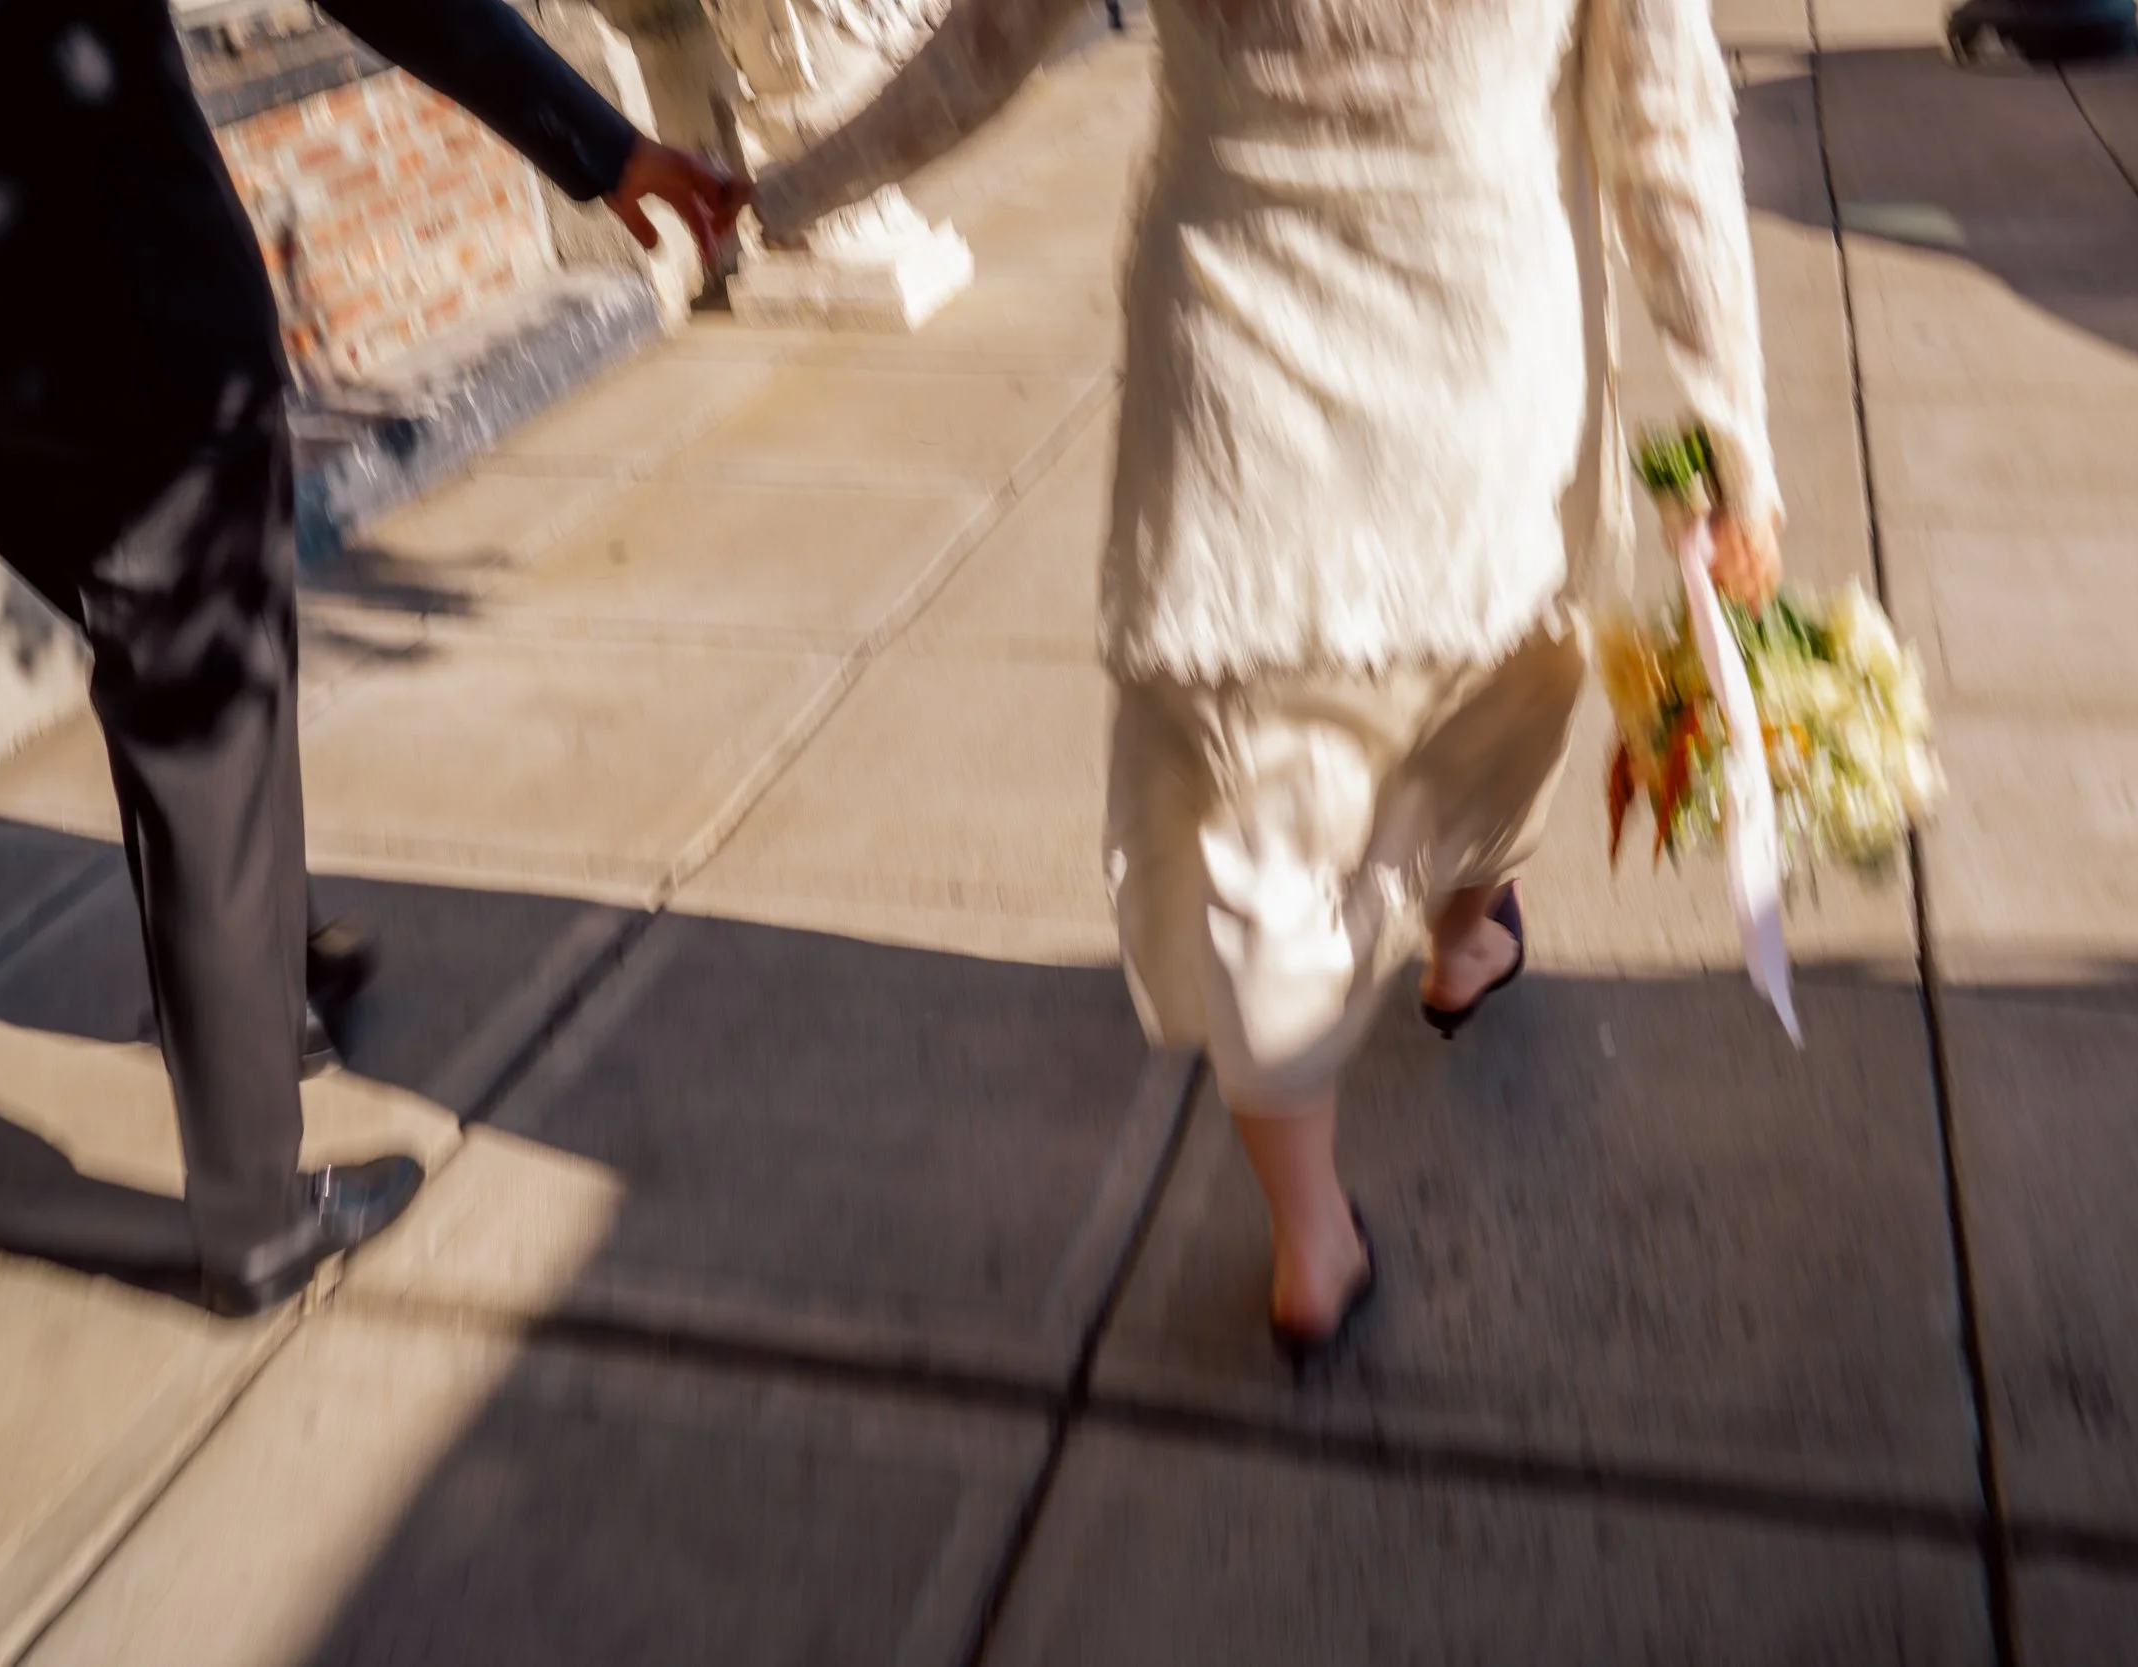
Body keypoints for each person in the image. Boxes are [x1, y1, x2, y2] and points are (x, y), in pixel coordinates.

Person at [750, 0, 1783, 1363]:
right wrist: (1736, 441)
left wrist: (780, 194)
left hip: (1237, 389)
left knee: (1261, 822)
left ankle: (1310, 1241)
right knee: (1488, 697)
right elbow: (1667, 140)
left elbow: (978, 55)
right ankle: (1465, 937)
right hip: (1487, 382)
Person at [0, 1, 742, 1317]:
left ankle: (269, 986)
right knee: (199, 715)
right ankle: (256, 1217)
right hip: (134, 321)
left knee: (188, 675)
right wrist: (602, 148)